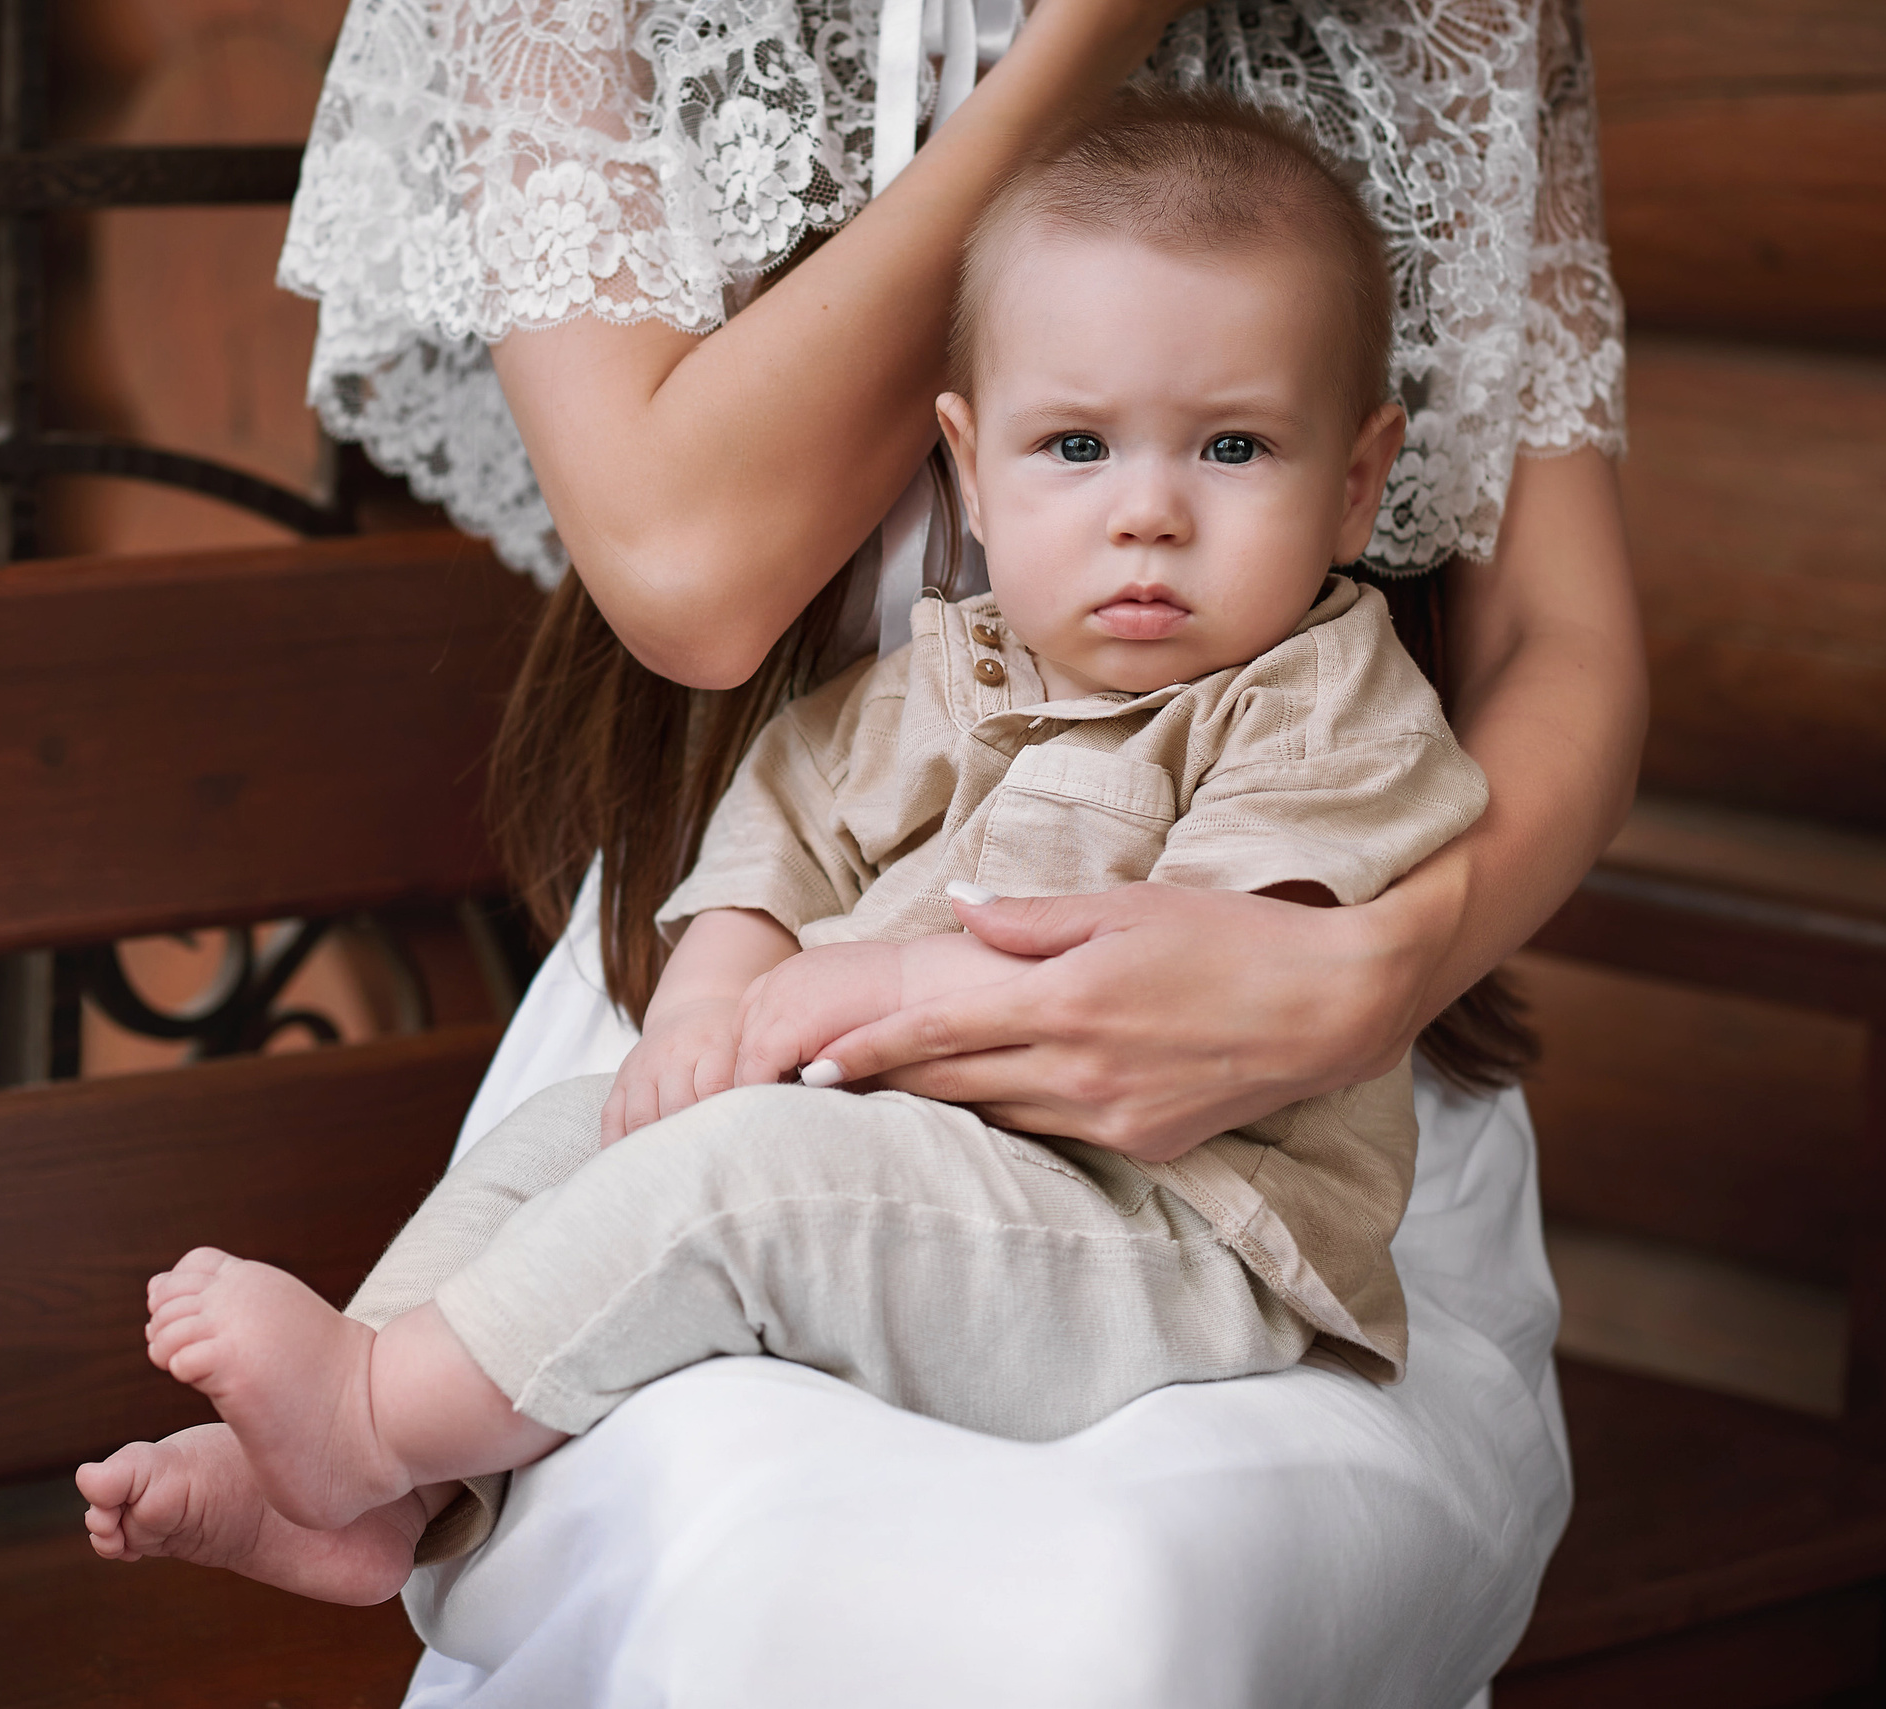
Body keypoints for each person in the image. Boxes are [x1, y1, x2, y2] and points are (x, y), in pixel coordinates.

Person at [258, 0, 1643, 1701]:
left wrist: (1375, 966)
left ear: (1357, 485)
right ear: (969, 465)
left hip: (1230, 1144)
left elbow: (1552, 647)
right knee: (687, 1439)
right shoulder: (938, 684)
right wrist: (1088, 35)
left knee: (1119, 1596)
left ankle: (375, 1427)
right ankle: (357, 1435)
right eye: (1076, 448)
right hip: (729, 1019)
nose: (1146, 511)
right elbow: (701, 595)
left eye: (1230, 450)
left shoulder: (1311, 702)